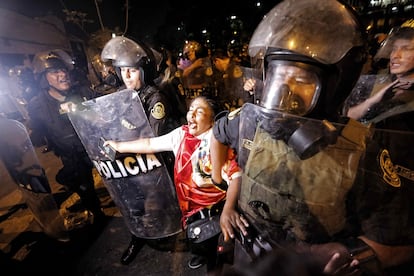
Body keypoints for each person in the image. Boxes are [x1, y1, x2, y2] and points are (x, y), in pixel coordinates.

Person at [210, 0, 414, 275]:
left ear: (335, 86)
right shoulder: (251, 122)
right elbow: (220, 131)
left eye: (302, 80)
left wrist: (344, 254)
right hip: (249, 255)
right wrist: (226, 201)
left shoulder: (362, 150)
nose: (284, 91)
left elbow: (396, 241)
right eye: (278, 76)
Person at [104, 96, 241, 271]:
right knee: (197, 240)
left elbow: (236, 176)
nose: (191, 115)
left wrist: (229, 209)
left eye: (199, 111)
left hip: (212, 213)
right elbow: (149, 144)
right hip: (188, 209)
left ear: (212, 120)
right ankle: (201, 252)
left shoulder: (217, 145)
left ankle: (210, 259)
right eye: (191, 109)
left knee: (213, 257)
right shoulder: (181, 134)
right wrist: (118, 146)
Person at [100, 36, 181, 265]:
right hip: (128, 161)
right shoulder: (122, 96)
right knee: (132, 203)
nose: (126, 77)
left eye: (132, 71)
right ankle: (137, 236)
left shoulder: (155, 98)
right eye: (122, 71)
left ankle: (168, 231)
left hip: (152, 161)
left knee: (157, 201)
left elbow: (153, 138)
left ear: (142, 72)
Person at [27, 49, 106, 227]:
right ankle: (97, 214)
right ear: (42, 77)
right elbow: (36, 133)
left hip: (96, 147)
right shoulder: (37, 106)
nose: (62, 74)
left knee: (118, 177)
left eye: (63, 70)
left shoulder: (84, 92)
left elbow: (107, 107)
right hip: (71, 156)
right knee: (85, 188)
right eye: (55, 71)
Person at [345, 19, 414, 123]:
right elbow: (343, 119)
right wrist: (372, 102)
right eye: (394, 49)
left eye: (406, 49)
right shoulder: (372, 81)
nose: (395, 56)